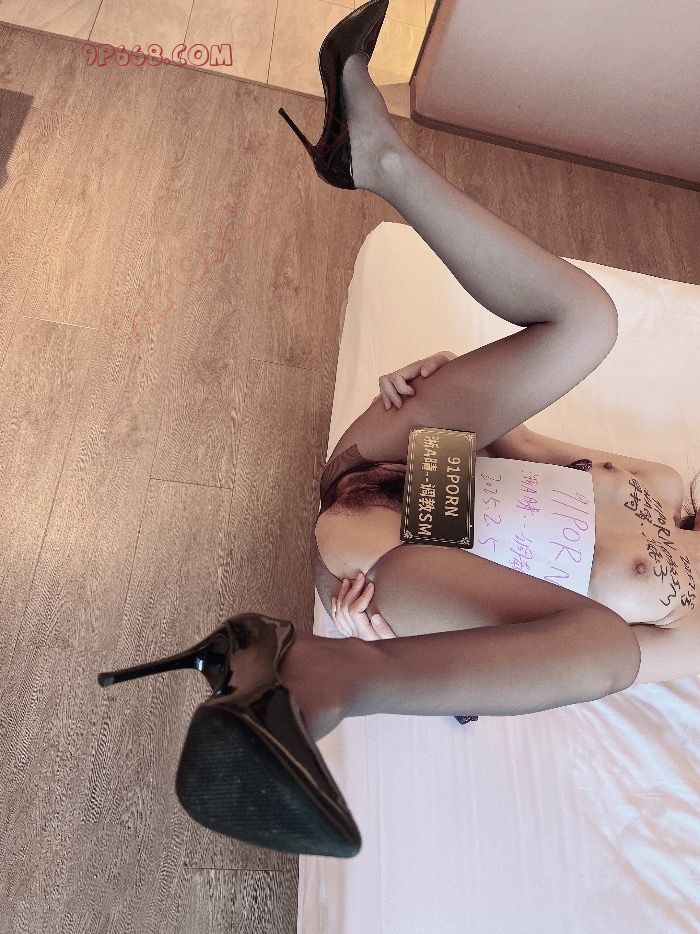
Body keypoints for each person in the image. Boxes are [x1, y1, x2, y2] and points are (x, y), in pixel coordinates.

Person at [99, 0, 652, 860]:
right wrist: (460, 388)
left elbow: (551, 659)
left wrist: (426, 644)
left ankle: (322, 680)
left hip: (404, 570)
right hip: (409, 474)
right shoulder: (670, 485)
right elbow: (533, 456)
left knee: (611, 653)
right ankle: (374, 156)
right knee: (588, 322)